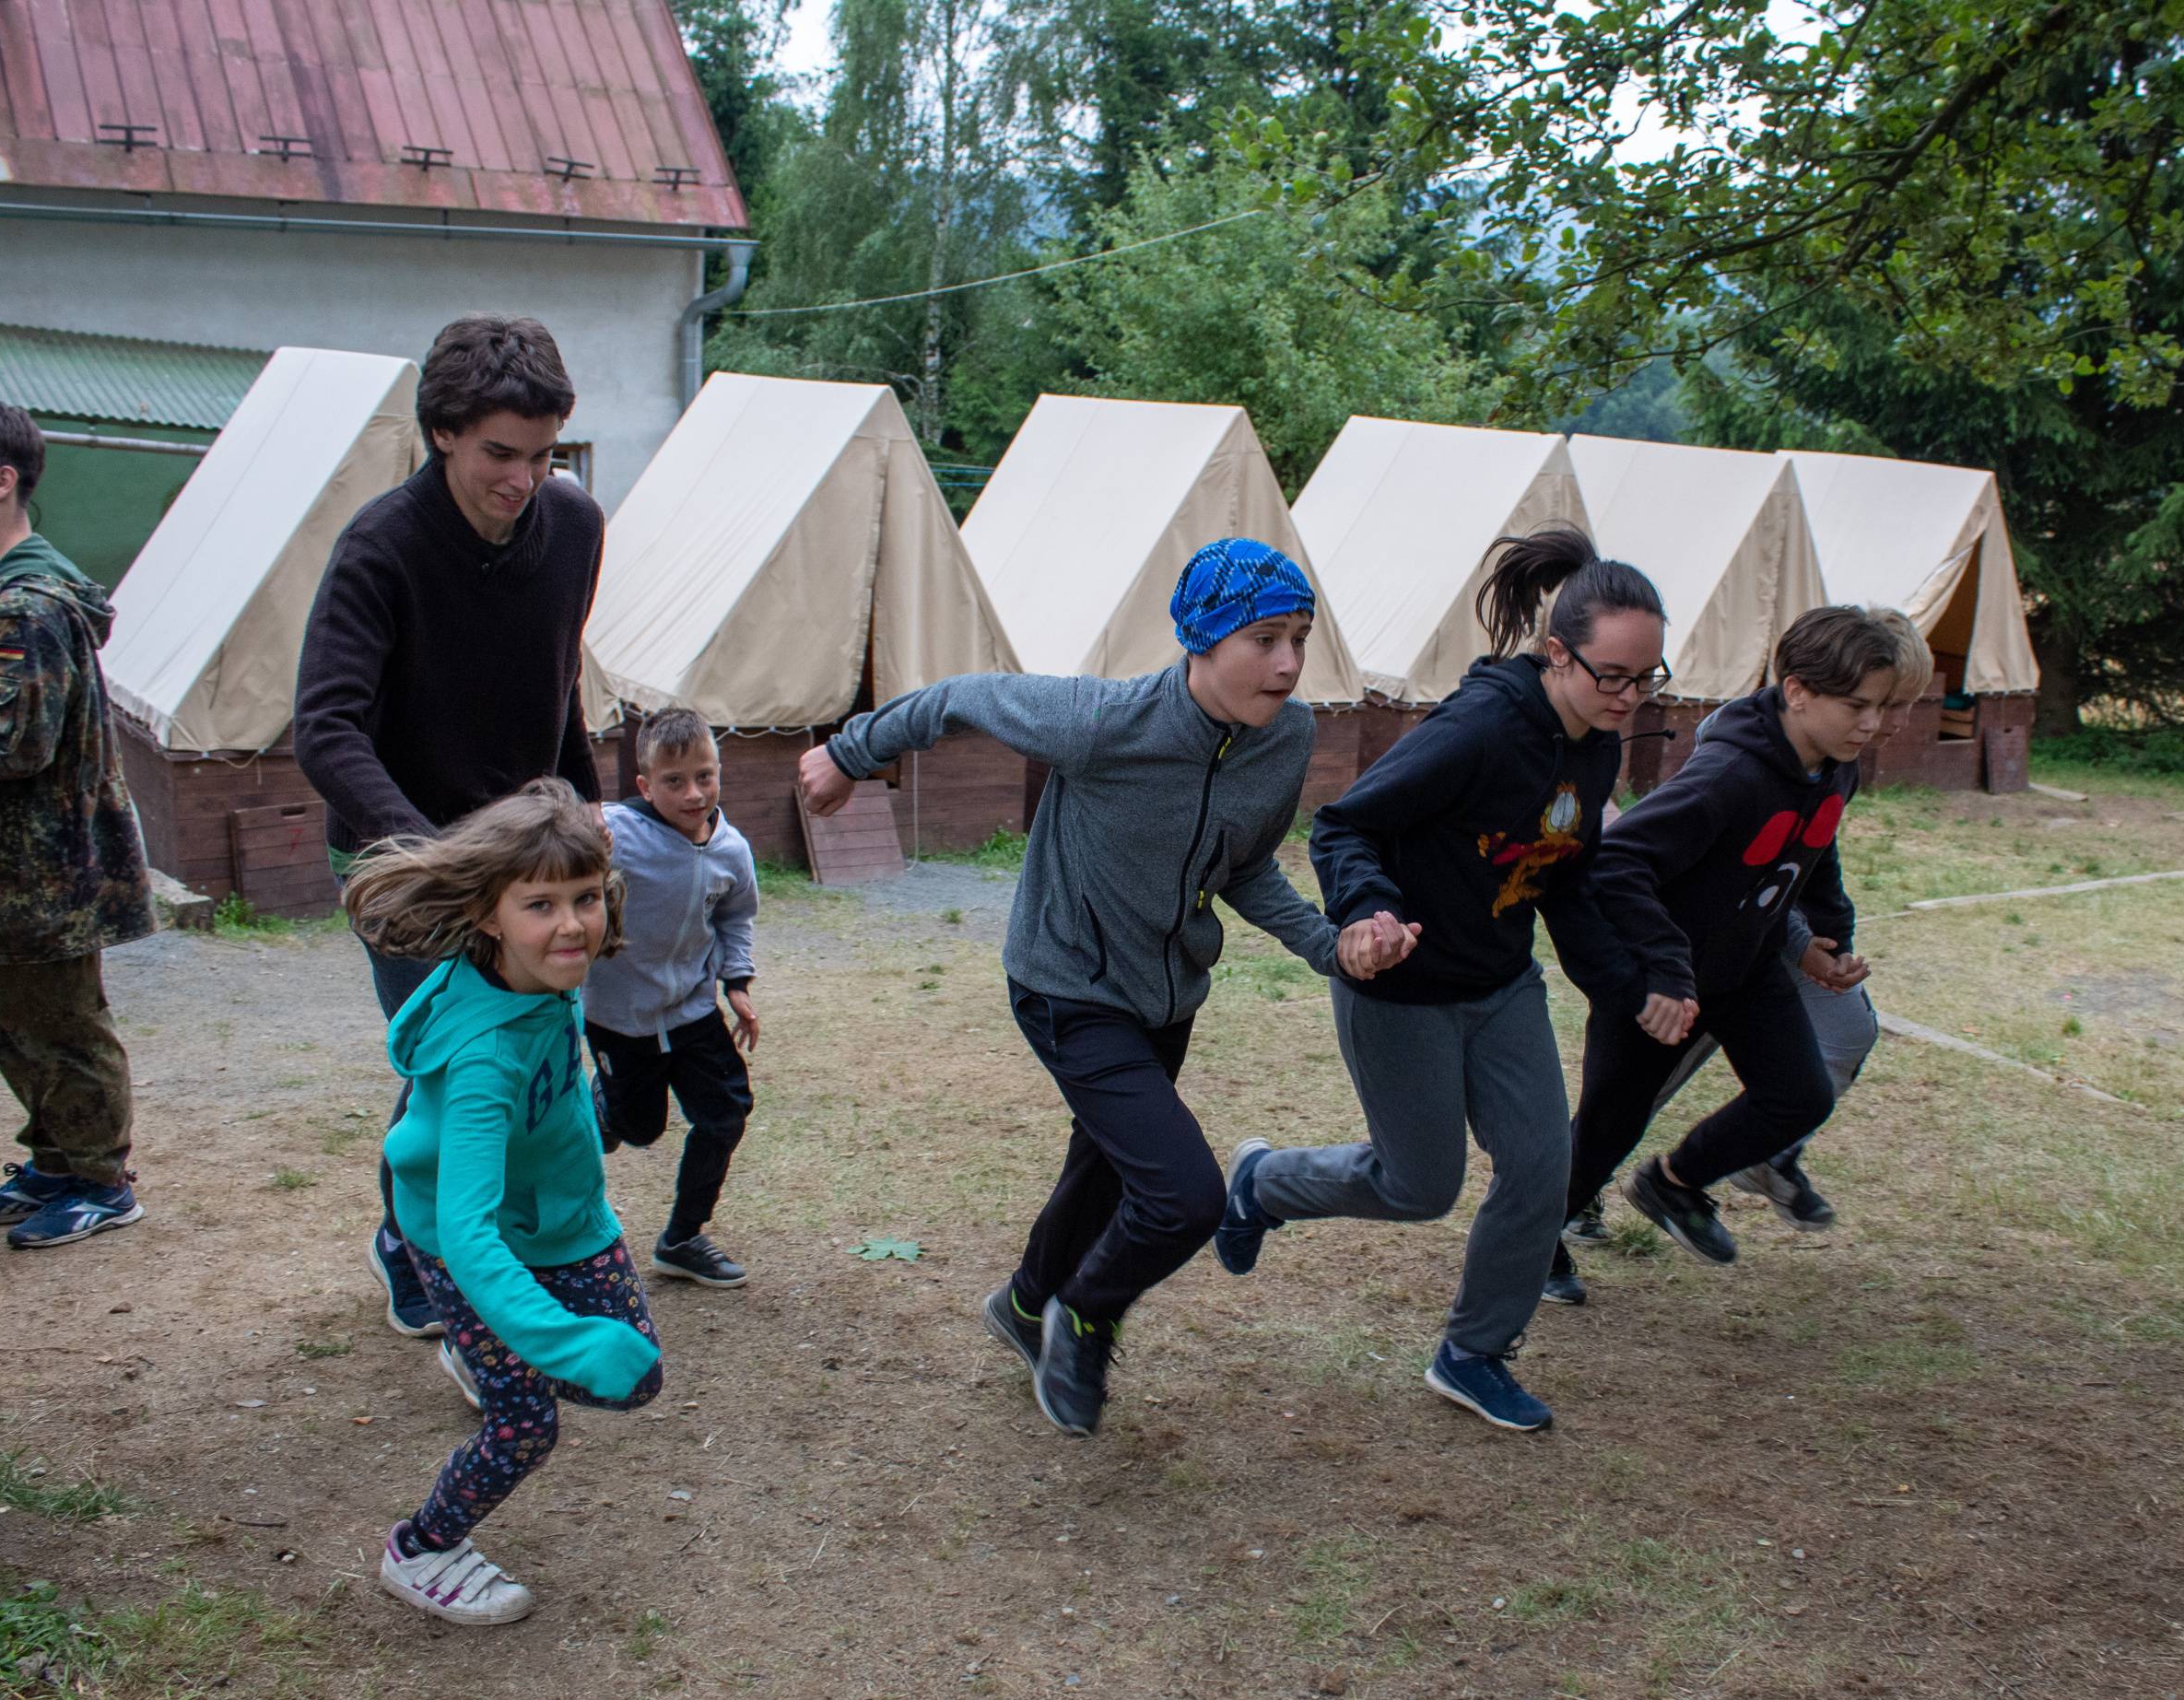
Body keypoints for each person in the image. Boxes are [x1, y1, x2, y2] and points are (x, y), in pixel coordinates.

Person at [798, 538, 1349, 1438]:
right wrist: (850, 754)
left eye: (1299, 638)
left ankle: (1025, 1306)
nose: (1288, 663)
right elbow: (960, 696)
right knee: (1185, 1196)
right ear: (1202, 639)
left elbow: (1245, 866)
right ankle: (1084, 1317)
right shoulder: (1103, 722)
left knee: (1103, 1170)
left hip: (1166, 999)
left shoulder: (1285, 739)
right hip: (1070, 988)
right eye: (1265, 639)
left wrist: (1326, 945)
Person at [1211, 528, 1699, 1434]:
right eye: (1613, 676)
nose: (1630, 698)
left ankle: (1474, 1353)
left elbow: (1566, 878)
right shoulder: (1481, 728)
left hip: (1502, 982)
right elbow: (1345, 824)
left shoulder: (1595, 742)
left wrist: (1633, 987)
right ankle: (1263, 1183)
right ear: (1557, 654)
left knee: (1543, 1164)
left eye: (1648, 678)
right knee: (1418, 1186)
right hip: (1402, 986)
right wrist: (1368, 913)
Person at [294, 314, 604, 1339]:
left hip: (528, 858)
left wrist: (584, 809)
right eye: (499, 455)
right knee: (458, 1063)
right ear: (441, 433)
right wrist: (435, 858)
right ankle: (412, 1239)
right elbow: (325, 728)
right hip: (407, 857)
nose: (524, 480)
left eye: (544, 455)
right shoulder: (381, 547)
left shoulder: (574, 527)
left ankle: (506, 1240)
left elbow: (557, 679)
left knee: (527, 1051)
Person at [342, 780, 662, 1626]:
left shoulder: (539, 975)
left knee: (636, 1378)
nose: (573, 924)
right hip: (469, 1239)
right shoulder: (484, 1058)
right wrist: (559, 1338)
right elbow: (467, 1233)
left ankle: (484, 1351)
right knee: (527, 1426)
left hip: (561, 1217)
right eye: (540, 905)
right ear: (489, 914)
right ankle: (422, 1549)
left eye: (585, 897)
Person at [1549, 610, 1932, 1303]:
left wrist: (1828, 941)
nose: (1874, 724)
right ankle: (1533, 1239)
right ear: (1798, 692)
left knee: (1801, 1096)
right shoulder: (1730, 774)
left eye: (1882, 707)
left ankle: (1673, 1183)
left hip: (1745, 967)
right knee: (1608, 1127)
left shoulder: (1835, 768)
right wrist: (1665, 969)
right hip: (1661, 982)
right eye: (1858, 706)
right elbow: (1618, 862)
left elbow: (1816, 849)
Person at [0, 403, 157, 1249]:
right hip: (3, 867)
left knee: (61, 1028)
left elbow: (16, 740)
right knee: (15, 1024)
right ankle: (55, 1163)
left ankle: (101, 1182)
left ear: (2, 481)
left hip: (41, 868)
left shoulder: (27, 603)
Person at [583, 706, 757, 1288]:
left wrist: (737, 983)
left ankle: (682, 1239)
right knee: (639, 1129)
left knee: (726, 1111)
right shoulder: (614, 834)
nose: (693, 794)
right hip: (619, 1018)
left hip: (692, 1011)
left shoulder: (731, 849)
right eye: (674, 781)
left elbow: (735, 918)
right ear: (645, 785)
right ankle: (605, 1103)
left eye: (705, 776)